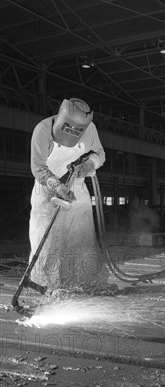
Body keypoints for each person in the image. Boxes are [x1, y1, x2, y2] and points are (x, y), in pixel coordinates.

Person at [29, 98, 109, 292]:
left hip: (77, 183)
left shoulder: (90, 130)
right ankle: (45, 285)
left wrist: (90, 164)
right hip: (47, 185)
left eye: (77, 131)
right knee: (46, 240)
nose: (74, 133)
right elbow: (38, 168)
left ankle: (85, 282)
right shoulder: (42, 130)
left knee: (82, 234)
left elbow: (100, 153)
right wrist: (58, 187)